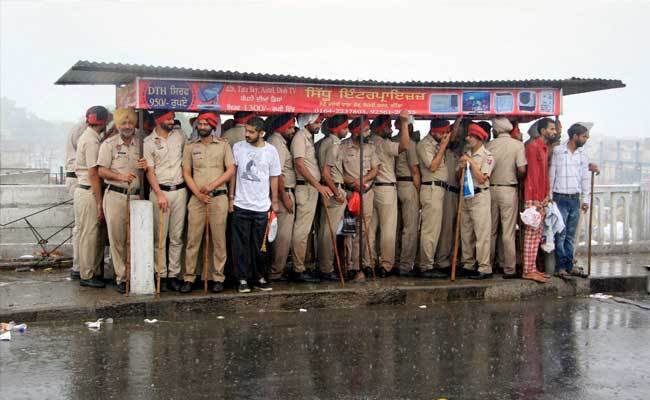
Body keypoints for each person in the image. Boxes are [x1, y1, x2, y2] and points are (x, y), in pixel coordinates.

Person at [181, 112, 235, 293]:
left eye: (205, 124)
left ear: (213, 126)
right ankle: (189, 277)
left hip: (218, 197)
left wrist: (212, 185)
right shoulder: (190, 146)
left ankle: (217, 277)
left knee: (218, 240)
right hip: (197, 199)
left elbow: (230, 170)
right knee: (192, 239)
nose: (202, 127)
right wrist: (197, 193)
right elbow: (186, 173)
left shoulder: (223, 145)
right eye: (200, 124)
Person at [97, 108, 147, 293]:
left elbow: (149, 169)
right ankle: (121, 277)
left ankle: (134, 275)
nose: (127, 126)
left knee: (134, 238)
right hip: (115, 196)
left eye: (130, 123)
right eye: (123, 123)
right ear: (117, 125)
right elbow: (101, 171)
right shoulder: (109, 144)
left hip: (135, 196)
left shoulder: (141, 143)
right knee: (117, 239)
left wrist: (146, 166)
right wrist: (119, 177)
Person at [230, 116, 281, 293]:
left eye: (251, 132)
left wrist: (274, 201)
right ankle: (242, 279)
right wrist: (231, 198)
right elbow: (233, 174)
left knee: (261, 246)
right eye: (246, 130)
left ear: (262, 133)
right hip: (241, 204)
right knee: (240, 246)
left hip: (262, 207)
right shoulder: (238, 147)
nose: (247, 134)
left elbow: (274, 177)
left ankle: (259, 277)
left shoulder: (271, 151)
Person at [143, 109, 188, 292]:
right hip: (160, 191)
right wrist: (159, 194)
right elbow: (149, 171)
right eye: (168, 118)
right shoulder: (148, 142)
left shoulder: (179, 136)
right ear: (158, 119)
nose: (172, 120)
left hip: (180, 190)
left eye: (172, 117)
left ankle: (173, 275)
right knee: (160, 237)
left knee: (176, 237)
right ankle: (160, 273)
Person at [549, 122, 595, 279]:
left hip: (575, 198)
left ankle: (569, 266)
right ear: (575, 136)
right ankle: (560, 267)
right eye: (584, 136)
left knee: (570, 236)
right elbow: (551, 175)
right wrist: (549, 198)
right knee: (560, 235)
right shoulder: (558, 151)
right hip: (560, 197)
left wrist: (586, 199)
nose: (586, 139)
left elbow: (585, 178)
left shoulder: (583, 154)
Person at [368, 114, 409, 277]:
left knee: (370, 230)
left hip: (370, 189)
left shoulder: (369, 142)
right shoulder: (384, 143)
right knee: (388, 230)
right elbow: (404, 146)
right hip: (386, 190)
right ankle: (386, 266)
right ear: (379, 128)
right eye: (388, 126)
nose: (391, 129)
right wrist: (404, 123)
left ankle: (369, 263)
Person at [291, 113, 331, 282]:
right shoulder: (300, 137)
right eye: (317, 121)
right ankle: (298, 270)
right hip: (306, 188)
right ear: (306, 122)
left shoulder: (307, 137)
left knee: (306, 231)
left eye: (320, 121)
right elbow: (299, 164)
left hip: (311, 188)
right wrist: (318, 185)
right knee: (301, 231)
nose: (319, 123)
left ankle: (303, 266)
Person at [486, 117, 527, 278]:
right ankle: (509, 268)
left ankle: (487, 265)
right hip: (509, 190)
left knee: (490, 231)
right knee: (508, 232)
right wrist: (515, 176)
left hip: (490, 190)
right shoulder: (518, 145)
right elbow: (522, 170)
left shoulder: (489, 145)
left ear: (496, 130)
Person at [75, 106, 110, 288]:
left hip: (83, 189)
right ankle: (87, 274)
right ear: (103, 122)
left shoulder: (88, 136)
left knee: (87, 233)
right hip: (89, 190)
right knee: (90, 234)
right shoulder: (92, 142)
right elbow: (94, 173)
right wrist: (99, 203)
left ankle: (87, 271)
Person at [342, 116, 380, 281]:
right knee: (348, 231)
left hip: (366, 193)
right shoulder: (343, 147)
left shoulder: (370, 148)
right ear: (356, 132)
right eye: (365, 130)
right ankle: (349, 266)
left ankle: (360, 265)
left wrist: (361, 181)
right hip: (350, 195)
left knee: (363, 231)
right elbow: (338, 171)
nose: (368, 133)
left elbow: (374, 170)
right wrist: (351, 183)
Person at [416, 118, 455, 279]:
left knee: (439, 229)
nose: (446, 135)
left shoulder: (438, 143)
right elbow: (432, 166)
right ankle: (426, 266)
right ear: (434, 132)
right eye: (443, 132)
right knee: (430, 230)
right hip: (431, 188)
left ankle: (435, 262)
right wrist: (443, 147)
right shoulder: (425, 144)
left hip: (440, 189)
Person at [522, 117, 557, 283]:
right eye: (551, 129)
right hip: (533, 197)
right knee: (531, 235)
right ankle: (528, 270)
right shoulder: (533, 147)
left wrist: (545, 196)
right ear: (542, 131)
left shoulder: (543, 147)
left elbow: (543, 176)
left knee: (536, 236)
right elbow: (533, 176)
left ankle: (532, 268)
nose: (554, 132)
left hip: (540, 198)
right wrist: (537, 199)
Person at [458, 123, 494, 280]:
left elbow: (482, 178)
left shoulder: (488, 156)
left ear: (479, 138)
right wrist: (461, 167)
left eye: (471, 136)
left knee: (482, 233)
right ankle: (468, 264)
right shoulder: (466, 153)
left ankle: (484, 267)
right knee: (466, 233)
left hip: (480, 196)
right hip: (465, 196)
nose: (468, 138)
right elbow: (457, 177)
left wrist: (471, 162)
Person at [316, 114, 349, 281]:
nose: (347, 130)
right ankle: (327, 268)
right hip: (333, 188)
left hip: (329, 189)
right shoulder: (334, 144)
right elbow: (326, 173)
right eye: (345, 127)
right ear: (338, 128)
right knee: (329, 232)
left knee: (324, 230)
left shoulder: (324, 142)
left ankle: (324, 266)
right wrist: (337, 193)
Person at [266, 114, 297, 281]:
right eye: (290, 127)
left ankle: (276, 269)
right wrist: (284, 197)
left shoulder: (278, 141)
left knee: (279, 235)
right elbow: (277, 174)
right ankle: (276, 271)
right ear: (282, 127)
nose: (293, 131)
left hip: (281, 193)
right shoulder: (277, 142)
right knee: (282, 237)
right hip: (282, 193)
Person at [392, 120, 421, 276]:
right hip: (408, 185)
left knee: (395, 227)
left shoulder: (392, 141)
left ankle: (394, 261)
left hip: (393, 185)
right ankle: (405, 265)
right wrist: (419, 192)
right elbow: (415, 170)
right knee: (409, 228)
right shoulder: (409, 143)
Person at [65, 120, 87, 280]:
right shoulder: (84, 132)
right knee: (82, 227)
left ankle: (80, 266)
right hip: (79, 179)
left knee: (81, 227)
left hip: (77, 178)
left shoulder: (80, 128)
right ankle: (79, 266)